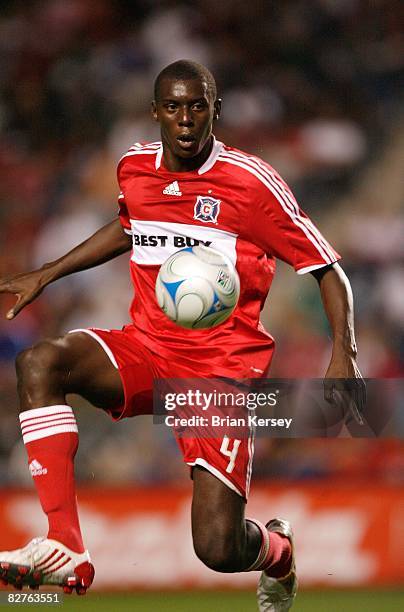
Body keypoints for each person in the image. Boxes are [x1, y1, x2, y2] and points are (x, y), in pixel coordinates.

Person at [0, 60, 365, 611]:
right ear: (156, 112)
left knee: (217, 548)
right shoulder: (134, 168)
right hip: (146, 347)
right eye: (173, 107)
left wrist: (344, 351)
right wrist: (47, 273)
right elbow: (129, 225)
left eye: (198, 106)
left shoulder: (250, 183)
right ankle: (65, 543)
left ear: (215, 110)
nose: (186, 119)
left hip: (217, 374)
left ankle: (279, 552)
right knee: (40, 363)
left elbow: (326, 268)